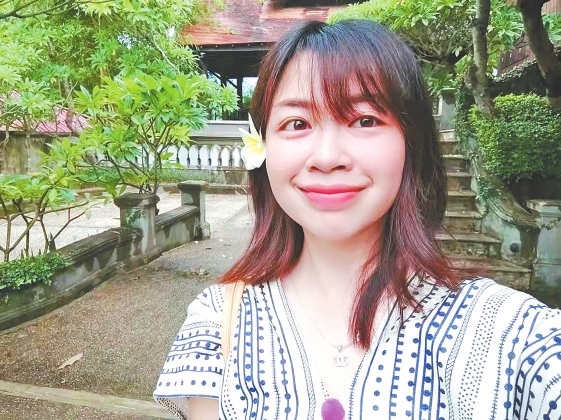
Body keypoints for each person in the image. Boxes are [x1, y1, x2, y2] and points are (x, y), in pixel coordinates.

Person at [153, 19, 561, 419]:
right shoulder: (216, 323)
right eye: (297, 124)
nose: (327, 158)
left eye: (365, 120)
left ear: (411, 142)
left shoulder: (509, 332)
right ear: (263, 147)